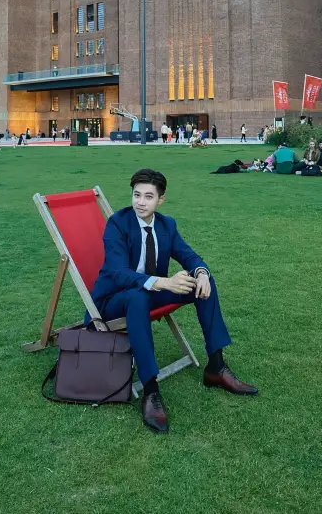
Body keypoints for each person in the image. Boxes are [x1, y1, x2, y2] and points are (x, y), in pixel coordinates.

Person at [91, 168, 257, 434]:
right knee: (136, 297)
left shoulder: (167, 225)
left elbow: (189, 256)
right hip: (113, 301)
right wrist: (164, 282)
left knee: (203, 282)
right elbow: (118, 273)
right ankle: (151, 390)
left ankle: (216, 367)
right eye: (136, 195)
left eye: (148, 196)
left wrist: (201, 272)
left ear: (161, 200)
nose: (140, 202)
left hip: (149, 294)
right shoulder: (118, 223)